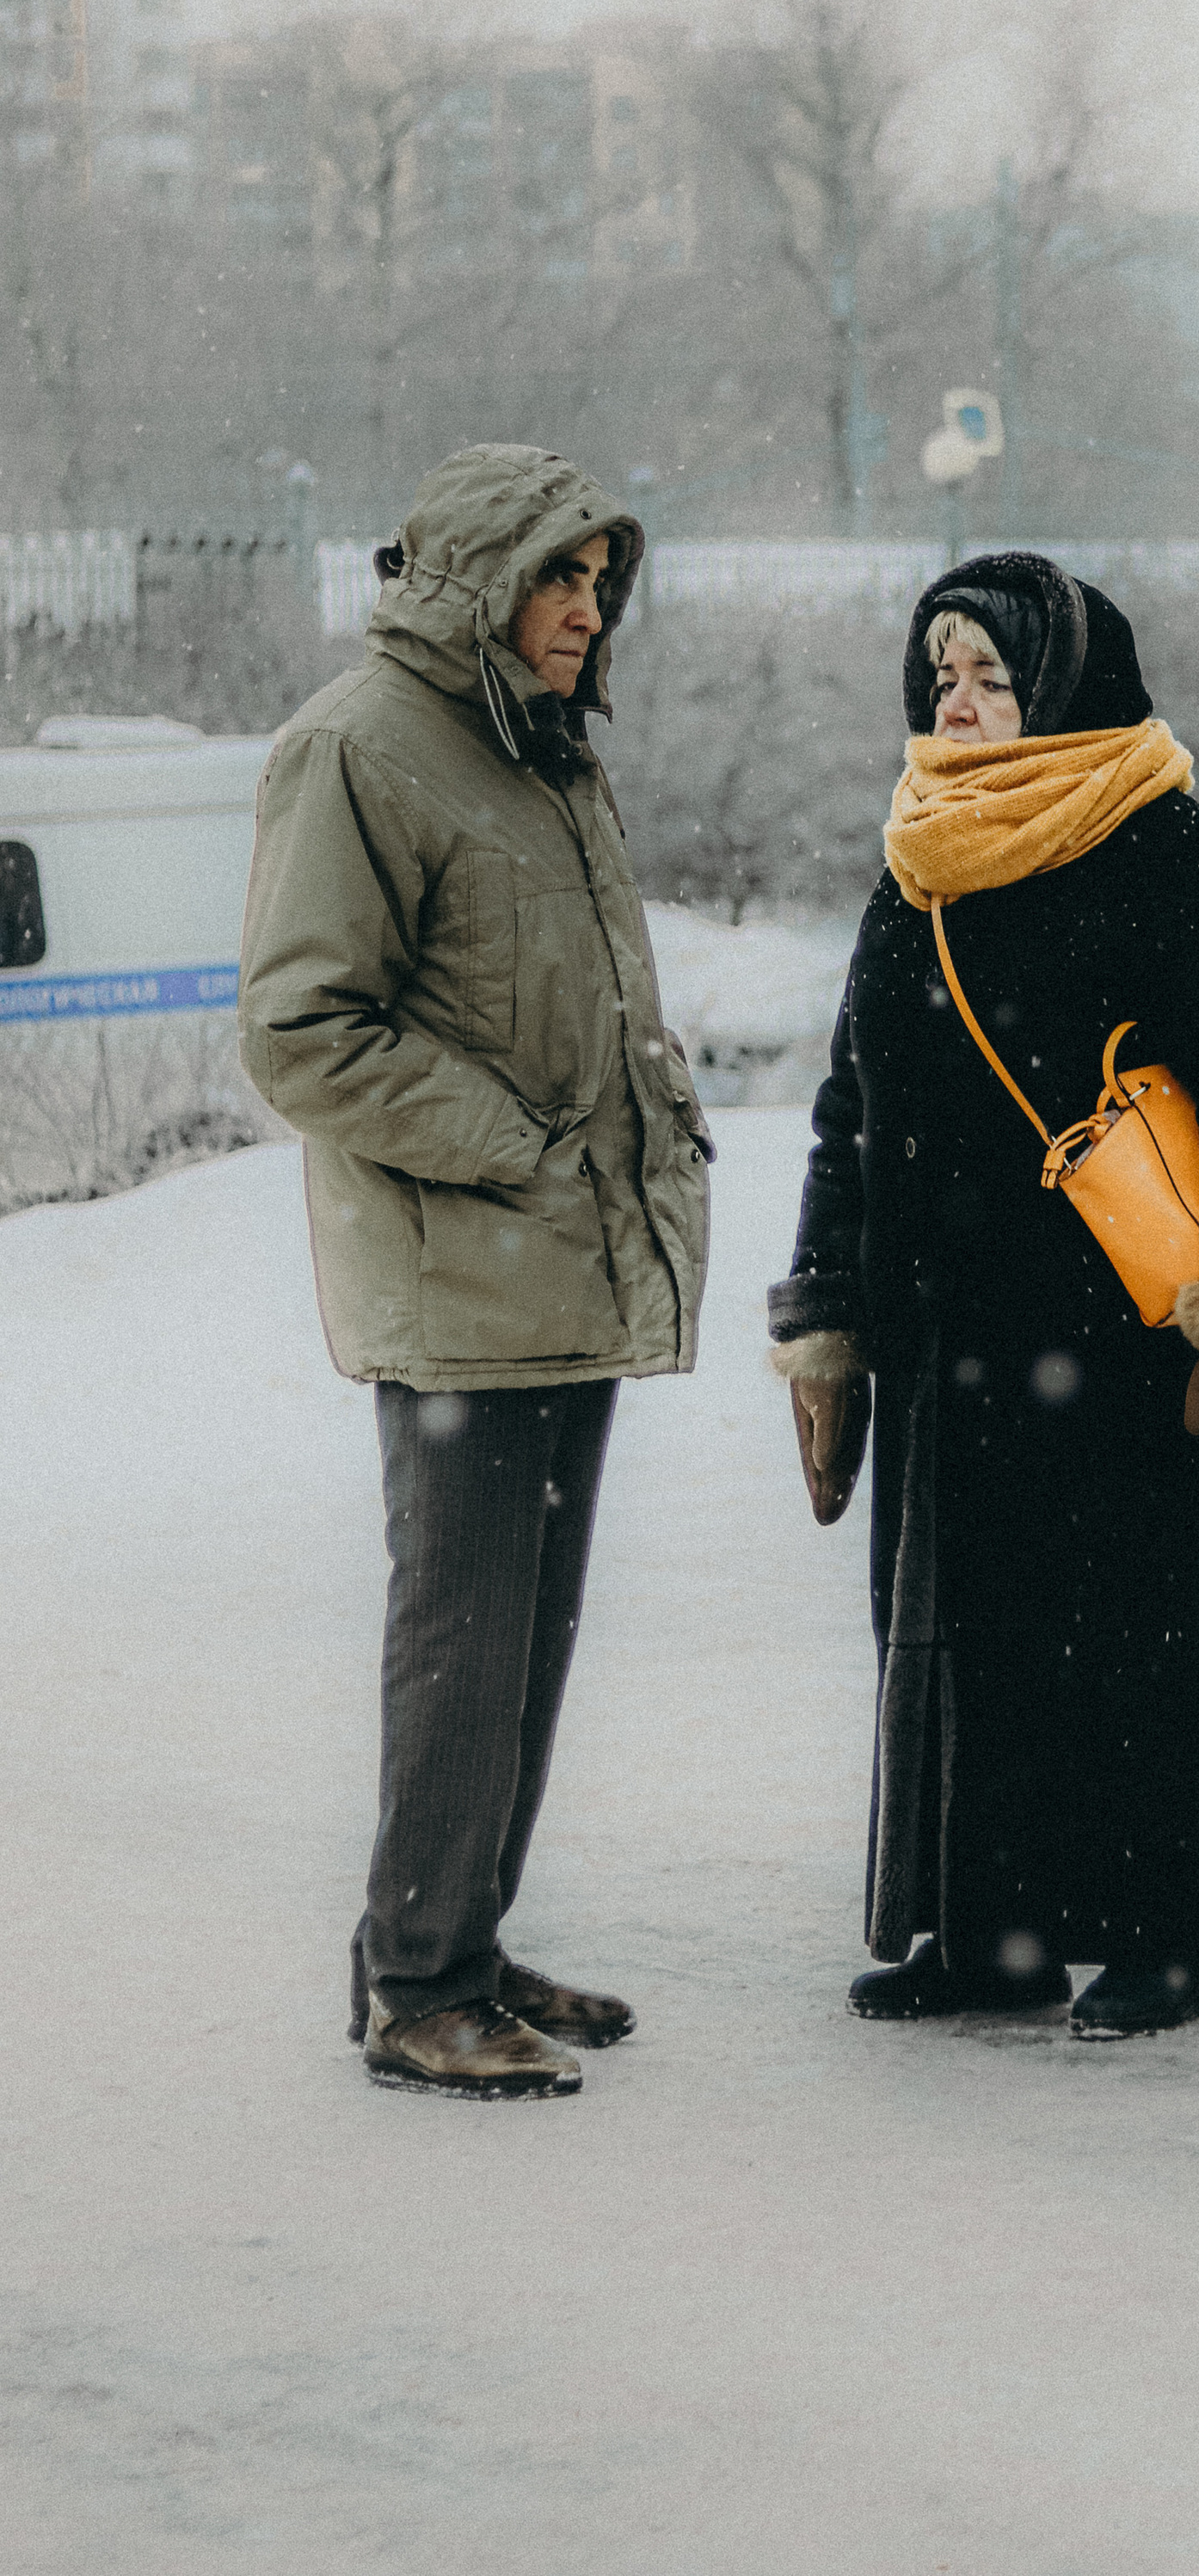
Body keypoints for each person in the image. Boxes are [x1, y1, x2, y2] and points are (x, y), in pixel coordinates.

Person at [768, 551, 1199, 2038]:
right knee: (964, 1630)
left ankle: (1165, 1929)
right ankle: (990, 1929)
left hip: (1117, 1325)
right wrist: (828, 1314)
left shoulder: (1165, 847)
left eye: (991, 675)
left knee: (1133, 1625)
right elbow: (852, 1104)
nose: (959, 702)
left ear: (1066, 686)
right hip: (944, 1322)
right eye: (942, 673)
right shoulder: (920, 864)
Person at [238, 445, 713, 2101]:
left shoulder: (537, 750)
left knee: (528, 1633)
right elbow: (303, 1031)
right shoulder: (361, 749)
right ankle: (417, 1981)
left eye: (599, 578)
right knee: (461, 1634)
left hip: (561, 1267)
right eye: (555, 577)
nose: (586, 608)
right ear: (476, 582)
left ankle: (466, 1938)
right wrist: (517, 1142)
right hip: (462, 1280)